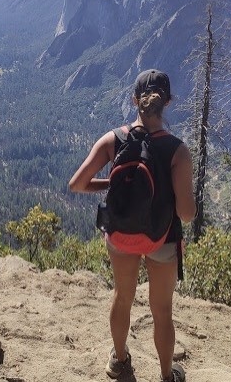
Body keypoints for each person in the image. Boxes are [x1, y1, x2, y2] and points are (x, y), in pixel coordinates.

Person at [68, 69, 196, 382]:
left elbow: (77, 184)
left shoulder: (114, 139)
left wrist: (109, 184)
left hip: (121, 235)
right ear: (167, 102)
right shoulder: (177, 151)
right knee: (161, 310)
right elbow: (187, 214)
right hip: (161, 240)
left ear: (134, 100)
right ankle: (167, 376)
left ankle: (119, 361)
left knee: (122, 296)